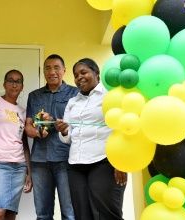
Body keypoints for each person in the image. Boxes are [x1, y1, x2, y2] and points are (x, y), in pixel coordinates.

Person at [55, 58, 127, 220]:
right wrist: (64, 131)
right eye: (75, 75)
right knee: (82, 215)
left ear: (96, 73)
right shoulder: (73, 102)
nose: (79, 77)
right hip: (76, 164)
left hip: (104, 161)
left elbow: (123, 129)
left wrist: (121, 162)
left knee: (108, 213)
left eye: (83, 72)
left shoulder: (110, 95)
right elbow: (67, 138)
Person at [25, 54, 78, 220]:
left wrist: (52, 121)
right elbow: (28, 125)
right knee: (42, 214)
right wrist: (36, 131)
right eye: (47, 68)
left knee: (69, 213)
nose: (52, 71)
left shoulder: (75, 93)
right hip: (39, 161)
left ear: (64, 70)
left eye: (56, 67)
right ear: (43, 71)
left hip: (65, 159)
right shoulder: (34, 96)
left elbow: (77, 124)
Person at [0, 69, 32, 220]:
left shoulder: (23, 112)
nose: (14, 84)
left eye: (18, 81)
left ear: (22, 86)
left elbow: (24, 143)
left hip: (19, 166)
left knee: (10, 214)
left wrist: (29, 172)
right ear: (4, 84)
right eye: (10, 80)